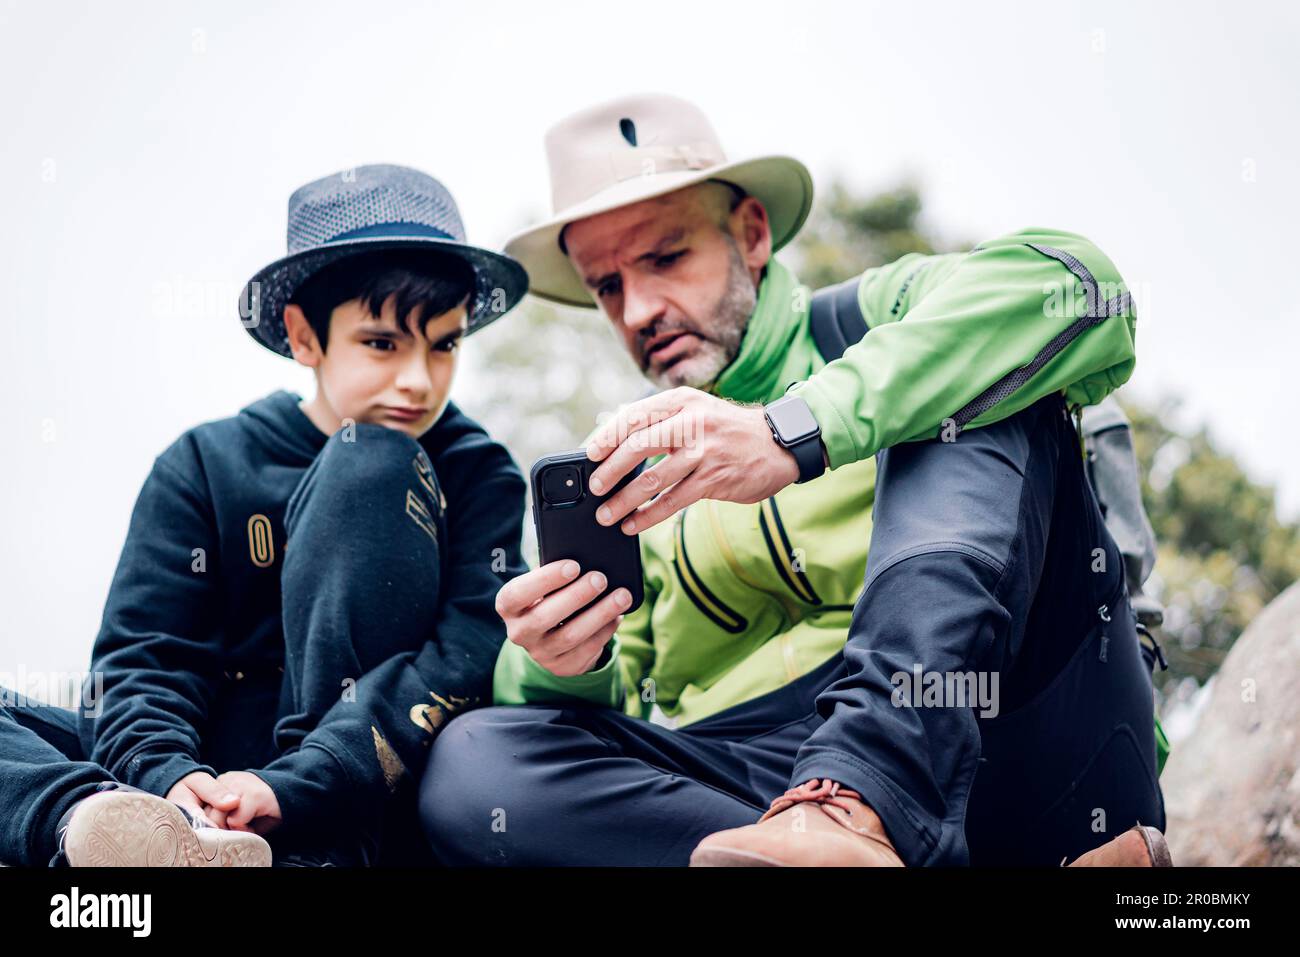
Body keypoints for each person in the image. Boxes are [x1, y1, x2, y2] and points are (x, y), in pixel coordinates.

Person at [418, 94, 1169, 867]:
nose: (638, 308)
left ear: (750, 234)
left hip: (1009, 727)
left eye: (665, 257)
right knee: (474, 762)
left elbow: (1079, 285)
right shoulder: (629, 463)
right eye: (607, 285)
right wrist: (561, 660)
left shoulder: (880, 317)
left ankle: (871, 797)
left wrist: (792, 431)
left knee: (978, 382)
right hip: (763, 794)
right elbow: (586, 706)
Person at [0, 164, 529, 866]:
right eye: (382, 342)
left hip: (359, 790)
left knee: (370, 458)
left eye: (445, 343)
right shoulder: (205, 461)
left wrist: (293, 786)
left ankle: (306, 853)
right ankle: (95, 827)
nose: (418, 379)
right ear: (304, 336)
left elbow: (463, 656)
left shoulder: (477, 471)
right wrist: (173, 780)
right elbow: (147, 656)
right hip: (204, 790)